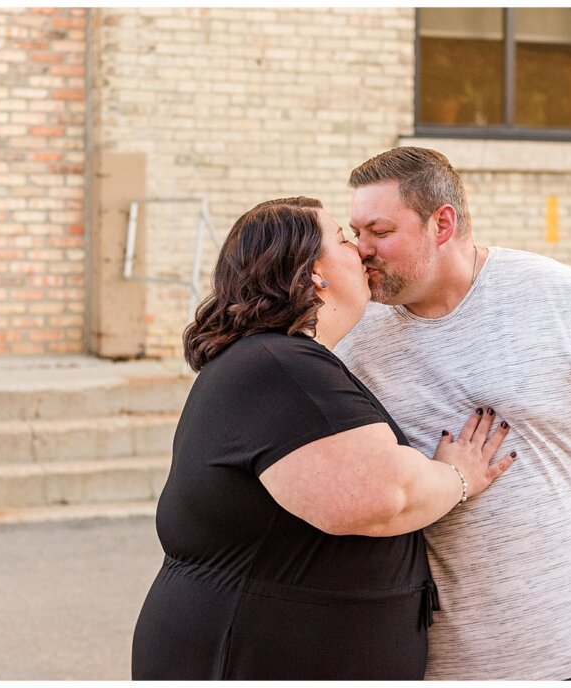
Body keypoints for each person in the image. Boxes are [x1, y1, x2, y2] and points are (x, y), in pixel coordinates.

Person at [334, 147, 571, 681]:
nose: (361, 250)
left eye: (379, 231)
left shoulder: (559, 298)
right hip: (439, 661)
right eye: (354, 232)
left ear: (442, 223)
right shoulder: (353, 331)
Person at [130, 196, 516, 680]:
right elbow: (381, 497)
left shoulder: (274, 362)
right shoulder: (283, 368)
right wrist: (459, 475)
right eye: (343, 239)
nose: (361, 250)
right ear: (315, 275)